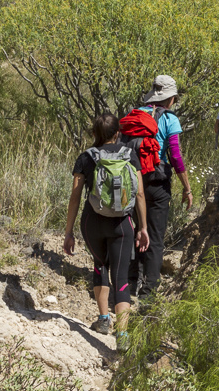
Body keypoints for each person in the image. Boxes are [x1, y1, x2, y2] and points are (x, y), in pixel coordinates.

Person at [63, 113, 149, 353]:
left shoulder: (86, 158)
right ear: (117, 133)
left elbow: (75, 196)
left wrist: (68, 232)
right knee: (121, 276)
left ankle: (103, 320)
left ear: (94, 134)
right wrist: (142, 227)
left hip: (93, 222)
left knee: (100, 265)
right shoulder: (130, 155)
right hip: (122, 224)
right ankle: (122, 334)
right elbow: (140, 194)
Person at [128, 76, 193, 299]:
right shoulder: (170, 119)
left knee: (133, 232)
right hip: (157, 183)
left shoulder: (134, 115)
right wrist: (187, 188)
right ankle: (148, 293)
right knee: (154, 237)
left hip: (131, 182)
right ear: (171, 98)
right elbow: (175, 155)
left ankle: (127, 285)